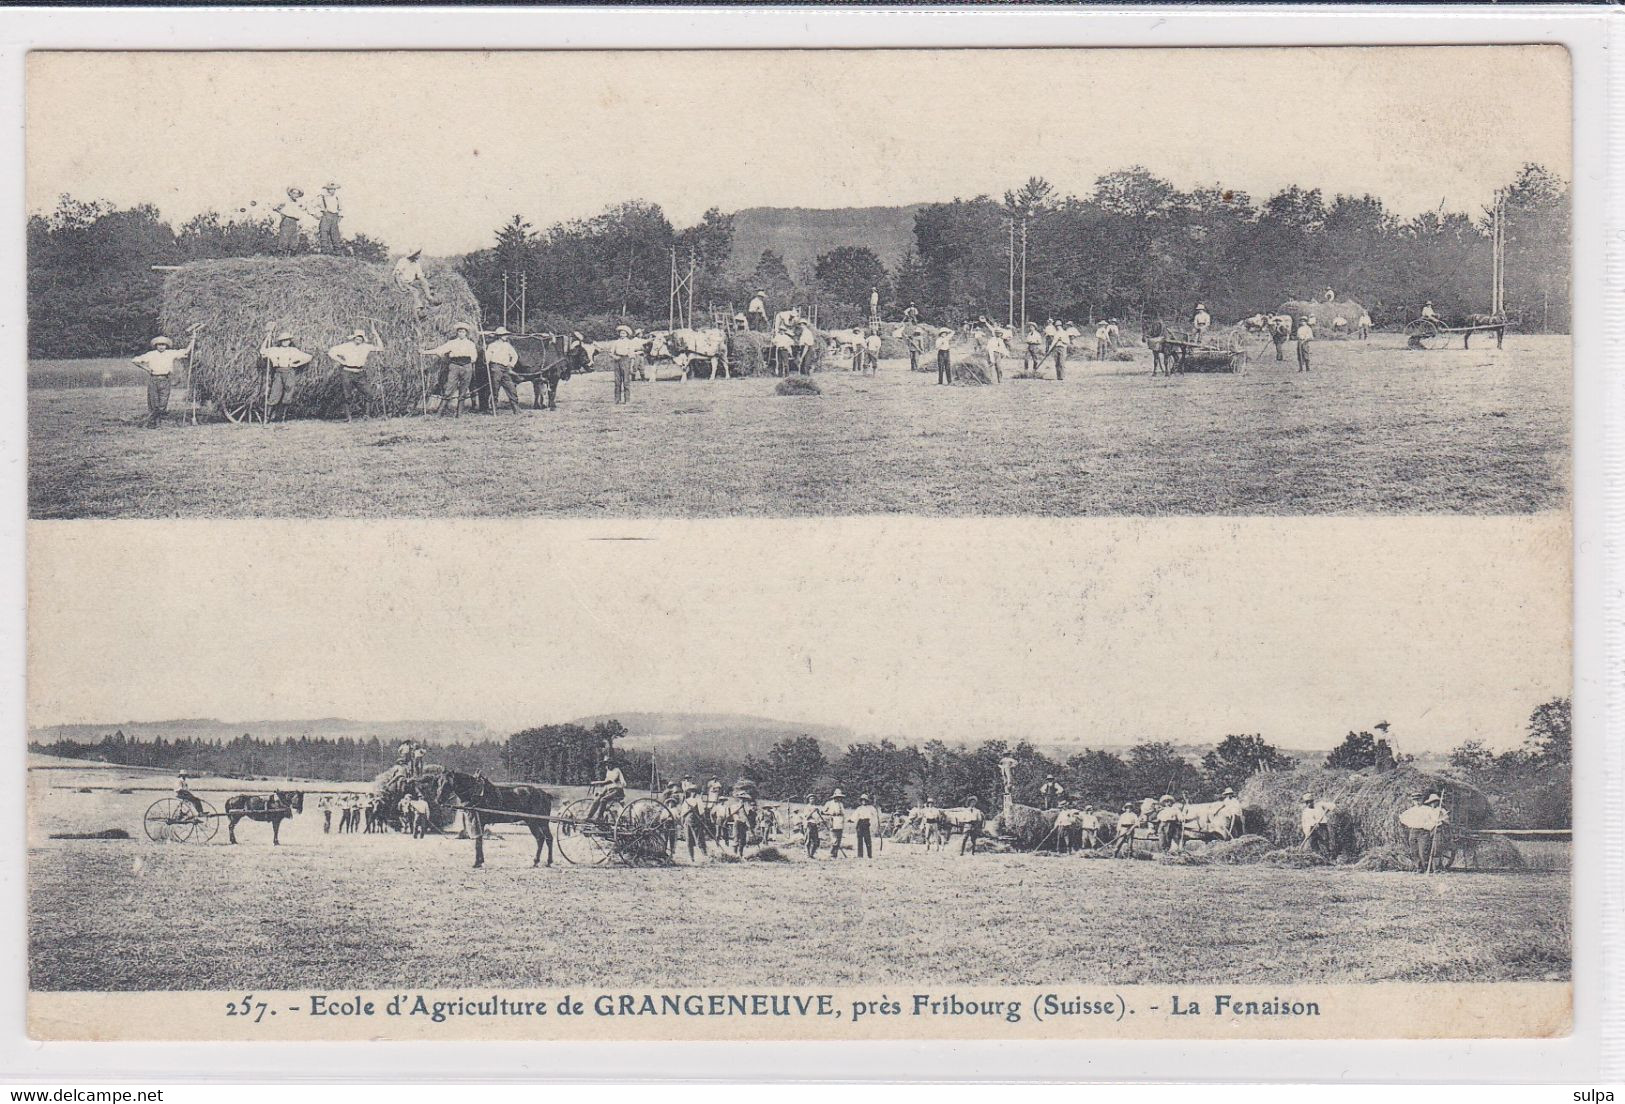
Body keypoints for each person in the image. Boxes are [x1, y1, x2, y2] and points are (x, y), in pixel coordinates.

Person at [131, 335, 191, 428]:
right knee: (154, 403)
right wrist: (146, 368)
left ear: (166, 345)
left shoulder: (171, 353)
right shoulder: (151, 354)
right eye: (159, 345)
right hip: (154, 379)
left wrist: (192, 340)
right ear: (156, 346)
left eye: (163, 344)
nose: (161, 346)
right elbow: (135, 360)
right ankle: (155, 424)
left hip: (166, 380)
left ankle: (150, 421)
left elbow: (186, 351)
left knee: (163, 405)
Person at [421, 323, 478, 416]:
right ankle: (439, 414)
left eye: (463, 332)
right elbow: (440, 350)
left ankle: (459, 414)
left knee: (463, 390)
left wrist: (466, 362)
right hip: (454, 366)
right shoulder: (452, 343)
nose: (461, 333)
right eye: (459, 331)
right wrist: (424, 352)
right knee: (449, 388)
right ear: (457, 333)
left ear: (466, 333)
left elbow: (474, 357)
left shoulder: (470, 344)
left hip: (467, 366)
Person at [328, 326, 384, 422]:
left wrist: (376, 335)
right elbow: (331, 352)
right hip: (347, 372)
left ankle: (366, 415)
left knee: (369, 393)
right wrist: (341, 361)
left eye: (361, 337)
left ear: (363, 339)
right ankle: (348, 418)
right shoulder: (346, 346)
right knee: (347, 395)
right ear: (354, 337)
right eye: (357, 337)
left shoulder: (366, 347)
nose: (359, 339)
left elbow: (381, 348)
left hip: (360, 373)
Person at [260, 331, 313, 422]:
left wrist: (297, 364)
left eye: (287, 340)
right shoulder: (275, 350)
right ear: (280, 341)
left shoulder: (293, 350)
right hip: (278, 372)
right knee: (275, 393)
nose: (286, 342)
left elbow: (308, 357)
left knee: (288, 395)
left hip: (289, 372)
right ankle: (267, 418)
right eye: (284, 340)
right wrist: (267, 338)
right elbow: (262, 351)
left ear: (290, 341)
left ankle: (281, 418)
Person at [483, 327, 522, 413]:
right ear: (499, 336)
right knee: (495, 389)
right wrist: (486, 353)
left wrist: (511, 364)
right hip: (495, 368)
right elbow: (487, 360)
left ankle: (516, 408)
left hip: (505, 369)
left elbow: (515, 356)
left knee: (511, 388)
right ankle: (494, 408)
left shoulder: (507, 345)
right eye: (504, 335)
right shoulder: (492, 345)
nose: (506, 336)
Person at [271, 187, 310, 254]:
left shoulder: (298, 203)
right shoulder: (285, 201)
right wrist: (282, 213)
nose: (295, 195)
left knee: (294, 237)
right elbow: (275, 207)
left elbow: (301, 211)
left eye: (297, 194)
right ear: (290, 194)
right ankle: (281, 253)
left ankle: (292, 253)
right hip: (287, 220)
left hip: (294, 221)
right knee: (285, 236)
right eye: (294, 193)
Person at [315, 181, 343, 253]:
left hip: (334, 217)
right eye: (330, 189)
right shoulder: (321, 197)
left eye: (334, 189)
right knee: (324, 233)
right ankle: (324, 251)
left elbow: (341, 209)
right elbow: (311, 205)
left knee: (335, 234)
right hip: (326, 216)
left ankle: (337, 252)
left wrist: (340, 217)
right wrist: (316, 215)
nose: (332, 191)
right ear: (327, 189)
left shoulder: (337, 198)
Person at [821, 790, 848, 857]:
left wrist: (843, 819)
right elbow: (822, 812)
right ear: (834, 797)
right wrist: (829, 813)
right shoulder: (829, 803)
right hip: (832, 821)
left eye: (839, 797)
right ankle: (831, 852)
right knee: (834, 839)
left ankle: (835, 854)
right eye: (837, 797)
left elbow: (844, 813)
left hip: (840, 822)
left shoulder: (841, 804)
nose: (838, 798)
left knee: (838, 839)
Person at [852, 794, 879, 859]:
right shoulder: (859, 808)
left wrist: (875, 822)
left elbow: (875, 815)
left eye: (865, 800)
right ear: (861, 801)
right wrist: (851, 819)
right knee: (860, 839)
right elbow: (854, 816)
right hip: (860, 823)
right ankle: (860, 855)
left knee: (867, 839)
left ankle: (869, 855)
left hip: (866, 823)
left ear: (867, 801)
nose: (863, 801)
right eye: (862, 800)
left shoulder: (870, 808)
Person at [803, 794, 822, 858]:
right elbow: (807, 817)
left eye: (813, 798)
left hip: (815, 824)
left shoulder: (816, 807)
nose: (812, 800)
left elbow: (818, 817)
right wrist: (812, 811)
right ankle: (808, 854)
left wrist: (819, 822)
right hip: (809, 824)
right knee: (808, 840)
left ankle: (812, 854)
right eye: (811, 798)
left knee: (816, 841)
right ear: (808, 800)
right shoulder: (807, 807)